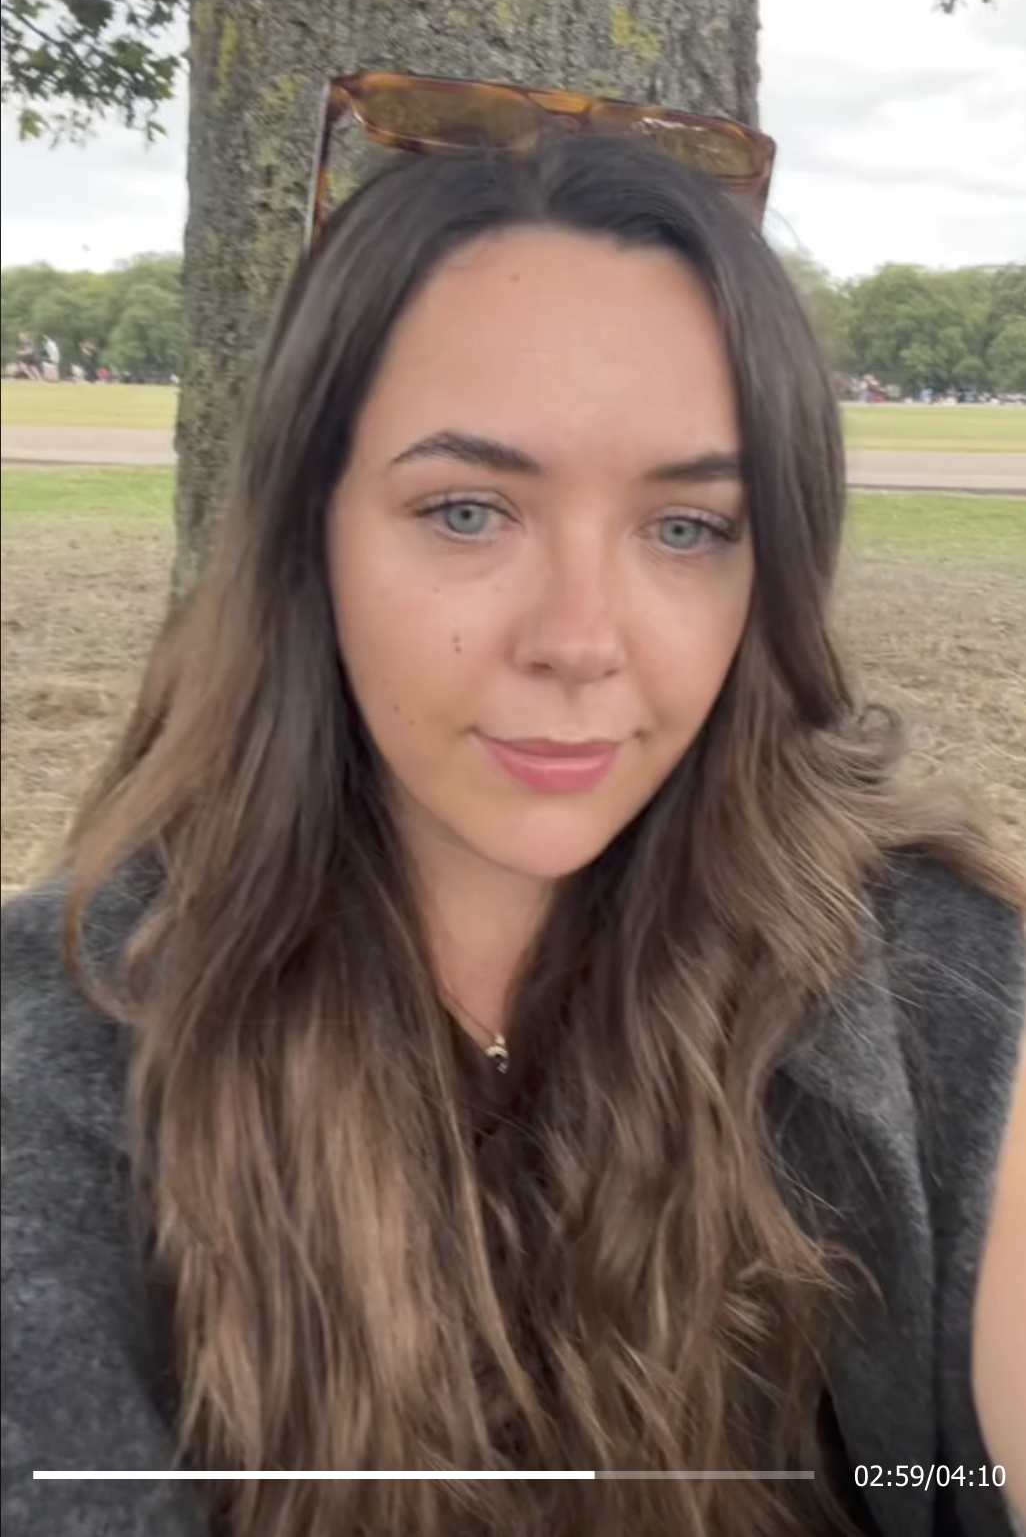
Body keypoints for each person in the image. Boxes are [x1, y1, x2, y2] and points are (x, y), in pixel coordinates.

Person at [2, 81, 1024, 1537]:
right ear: (311, 534)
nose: (581, 637)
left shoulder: (932, 994)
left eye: (686, 527)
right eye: (469, 510)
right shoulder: (75, 1041)